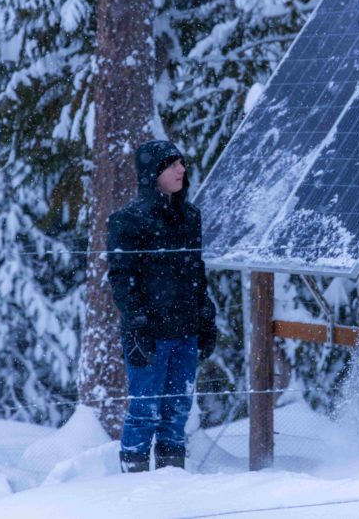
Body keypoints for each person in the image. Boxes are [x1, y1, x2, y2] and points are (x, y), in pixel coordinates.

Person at [107, 139, 217, 473]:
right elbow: (122, 276)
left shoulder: (190, 217)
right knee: (144, 411)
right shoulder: (126, 220)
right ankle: (134, 490)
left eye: (181, 163)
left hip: (185, 332)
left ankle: (171, 486)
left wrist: (205, 316)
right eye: (172, 165)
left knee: (177, 412)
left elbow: (196, 272)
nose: (182, 169)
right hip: (149, 335)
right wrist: (137, 323)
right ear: (153, 173)